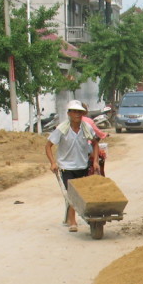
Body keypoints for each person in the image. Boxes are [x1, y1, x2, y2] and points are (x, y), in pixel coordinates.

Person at [45, 99, 98, 232]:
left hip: (82, 166)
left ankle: (69, 216)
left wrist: (96, 161)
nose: (77, 114)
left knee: (79, 193)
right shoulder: (62, 129)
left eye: (79, 112)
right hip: (66, 167)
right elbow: (48, 146)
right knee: (72, 193)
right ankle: (72, 221)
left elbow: (95, 143)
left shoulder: (87, 128)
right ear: (69, 113)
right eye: (74, 112)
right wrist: (53, 163)